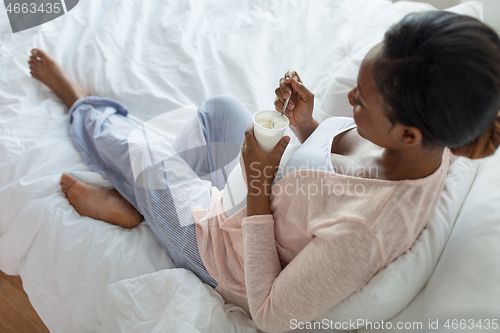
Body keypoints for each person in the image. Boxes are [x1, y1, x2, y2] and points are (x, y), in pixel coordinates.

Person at [28, 11, 500, 332]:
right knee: (221, 109)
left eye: (361, 100)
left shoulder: (365, 231)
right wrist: (306, 125)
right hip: (251, 192)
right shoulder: (432, 144)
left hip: (223, 250)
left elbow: (271, 314)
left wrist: (256, 182)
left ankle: (78, 106)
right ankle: (144, 207)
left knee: (136, 151)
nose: (351, 100)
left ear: (409, 134)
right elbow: (325, 181)